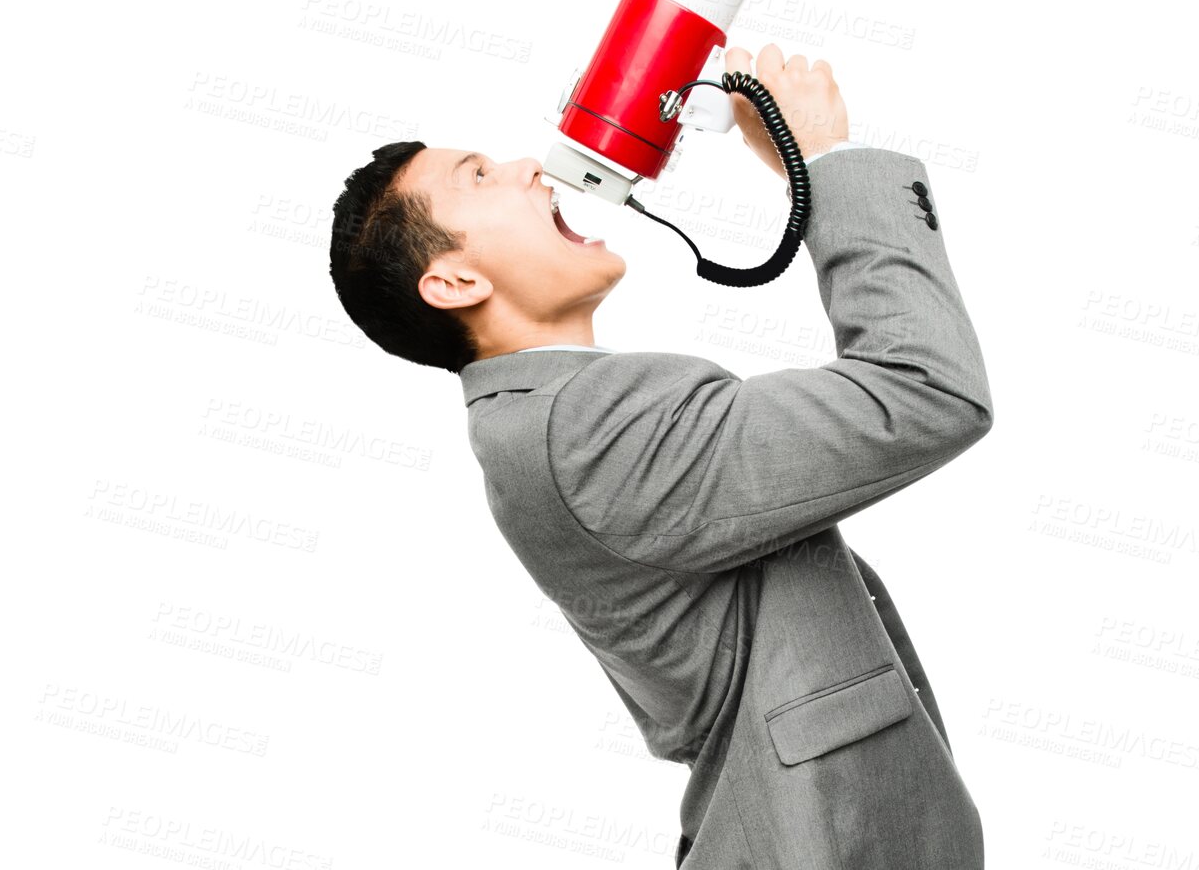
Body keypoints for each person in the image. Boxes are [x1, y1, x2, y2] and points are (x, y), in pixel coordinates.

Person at [330, 44, 994, 867]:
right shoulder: (582, 430)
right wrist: (826, 158)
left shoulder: (543, 422)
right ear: (455, 283)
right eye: (476, 177)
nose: (529, 168)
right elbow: (925, 389)